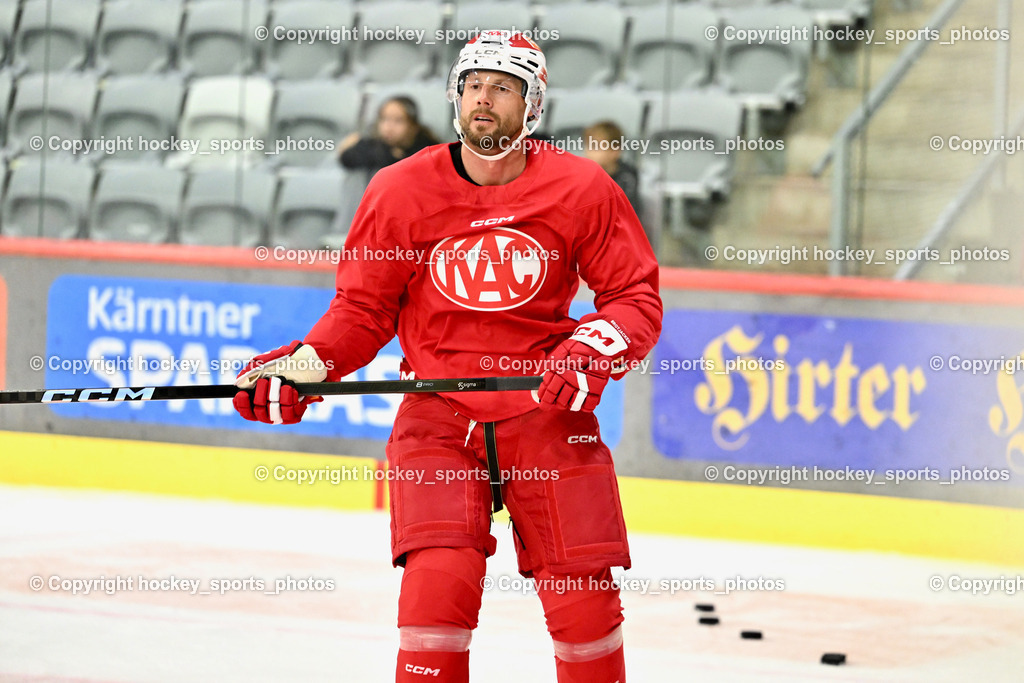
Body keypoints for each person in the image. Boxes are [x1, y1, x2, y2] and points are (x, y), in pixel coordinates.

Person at [234, 30, 662, 683]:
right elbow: (363, 310)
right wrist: (306, 365)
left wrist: (590, 349)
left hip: (545, 413)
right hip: (437, 416)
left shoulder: (582, 188)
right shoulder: (399, 189)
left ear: (533, 105)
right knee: (434, 602)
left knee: (586, 610)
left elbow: (634, 297)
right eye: (472, 85)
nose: (483, 98)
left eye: (503, 87)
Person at [338, 96, 439, 176]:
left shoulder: (429, 150)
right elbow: (347, 158)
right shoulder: (375, 145)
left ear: (413, 126)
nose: (388, 127)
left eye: (398, 120)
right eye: (384, 119)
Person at [584, 120, 642, 217]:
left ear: (615, 151)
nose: (588, 152)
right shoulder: (585, 174)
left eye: (595, 147)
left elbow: (624, 215)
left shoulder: (627, 177)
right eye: (588, 146)